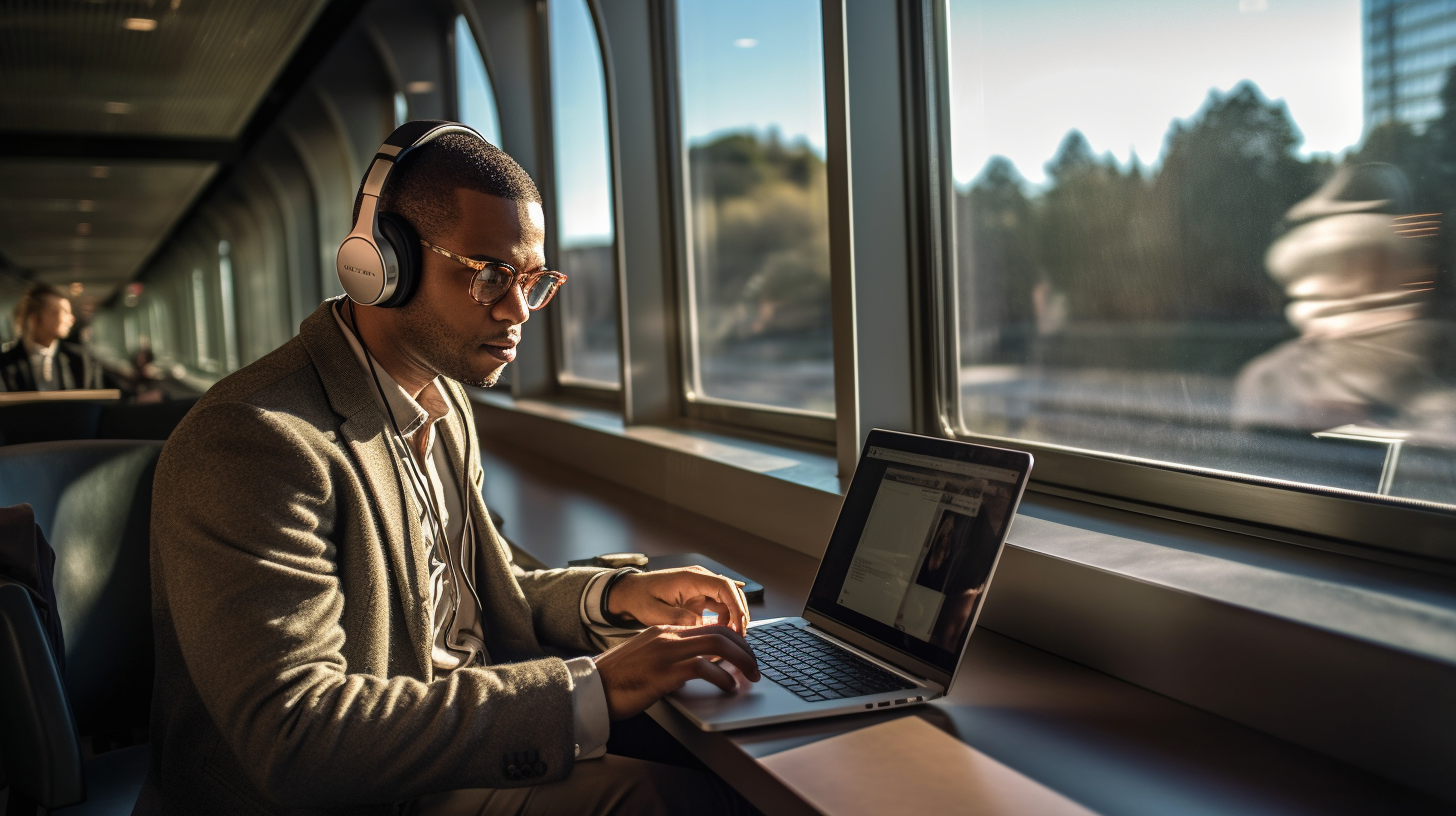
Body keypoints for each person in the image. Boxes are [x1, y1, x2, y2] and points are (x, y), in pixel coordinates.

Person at [137, 127, 760, 815]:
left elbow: (489, 586)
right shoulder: (257, 441)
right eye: (490, 274)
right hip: (365, 788)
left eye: (533, 281)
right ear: (381, 263)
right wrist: (591, 689)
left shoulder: (442, 399)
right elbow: (300, 736)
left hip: (451, 734)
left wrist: (615, 595)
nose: (518, 311)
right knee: (670, 800)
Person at [0, 283, 106, 392]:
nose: (71, 319)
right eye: (63, 312)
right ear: (35, 318)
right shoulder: (4, 364)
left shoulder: (82, 361)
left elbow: (95, 404)